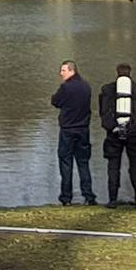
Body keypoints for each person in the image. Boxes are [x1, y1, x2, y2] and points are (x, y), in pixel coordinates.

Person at [99, 62, 136, 206]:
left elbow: (102, 111)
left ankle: (112, 200)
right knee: (135, 165)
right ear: (130, 73)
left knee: (113, 166)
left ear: (116, 72)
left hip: (113, 134)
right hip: (134, 133)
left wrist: (113, 126)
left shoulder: (107, 90)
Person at [50, 60, 97, 205]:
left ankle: (66, 197)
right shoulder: (86, 86)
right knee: (83, 163)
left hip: (68, 130)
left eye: (63, 70)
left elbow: (55, 102)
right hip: (83, 129)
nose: (61, 73)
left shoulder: (66, 87)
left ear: (71, 70)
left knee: (66, 163)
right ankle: (89, 196)